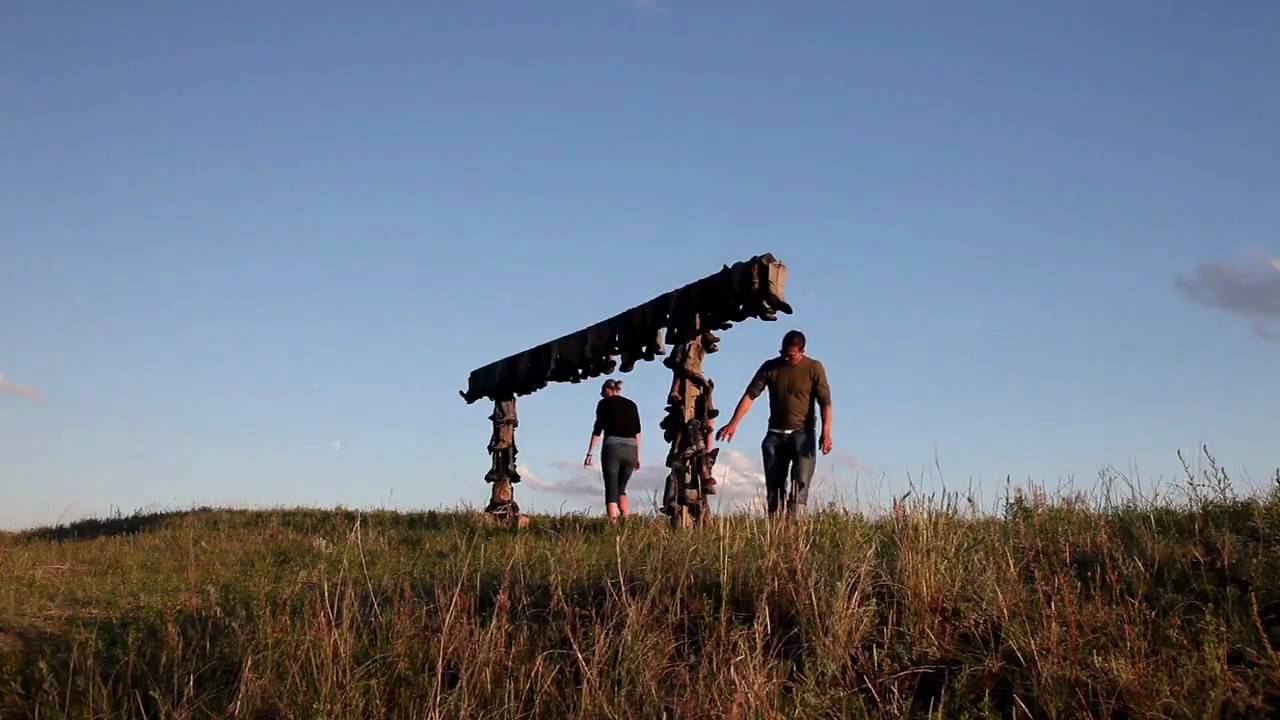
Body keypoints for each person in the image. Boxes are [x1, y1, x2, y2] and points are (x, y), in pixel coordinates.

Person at [714, 330, 833, 516]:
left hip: (803, 433)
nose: (786, 357)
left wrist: (826, 432)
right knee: (774, 484)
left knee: (800, 482)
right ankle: (775, 527)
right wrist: (733, 423)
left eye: (791, 355)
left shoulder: (813, 368)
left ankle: (795, 528)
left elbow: (825, 402)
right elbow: (750, 395)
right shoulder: (770, 367)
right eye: (783, 353)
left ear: (802, 351)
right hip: (775, 434)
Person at [584, 378, 642, 523]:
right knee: (621, 488)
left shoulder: (604, 404)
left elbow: (597, 430)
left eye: (602, 392)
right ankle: (627, 520)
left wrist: (590, 453)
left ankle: (613, 525)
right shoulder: (631, 404)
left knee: (611, 487)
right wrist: (638, 457)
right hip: (631, 449)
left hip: (612, 448)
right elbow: (638, 433)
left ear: (607, 390)